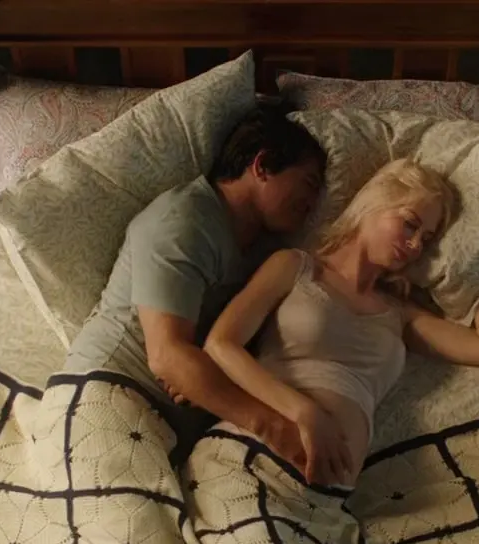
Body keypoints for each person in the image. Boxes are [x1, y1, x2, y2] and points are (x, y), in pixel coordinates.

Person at [202, 159, 479, 486]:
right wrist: (306, 412)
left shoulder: (400, 314)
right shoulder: (296, 267)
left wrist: (458, 278)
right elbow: (220, 344)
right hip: (248, 457)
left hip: (323, 498)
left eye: (426, 240)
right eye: (409, 224)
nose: (415, 245)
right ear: (373, 204)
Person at [61, 104, 325, 470]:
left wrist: (200, 376)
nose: (313, 204)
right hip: (108, 390)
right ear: (262, 165)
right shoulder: (184, 219)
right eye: (309, 183)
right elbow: (168, 357)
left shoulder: (262, 255)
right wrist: (273, 427)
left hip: (168, 428)